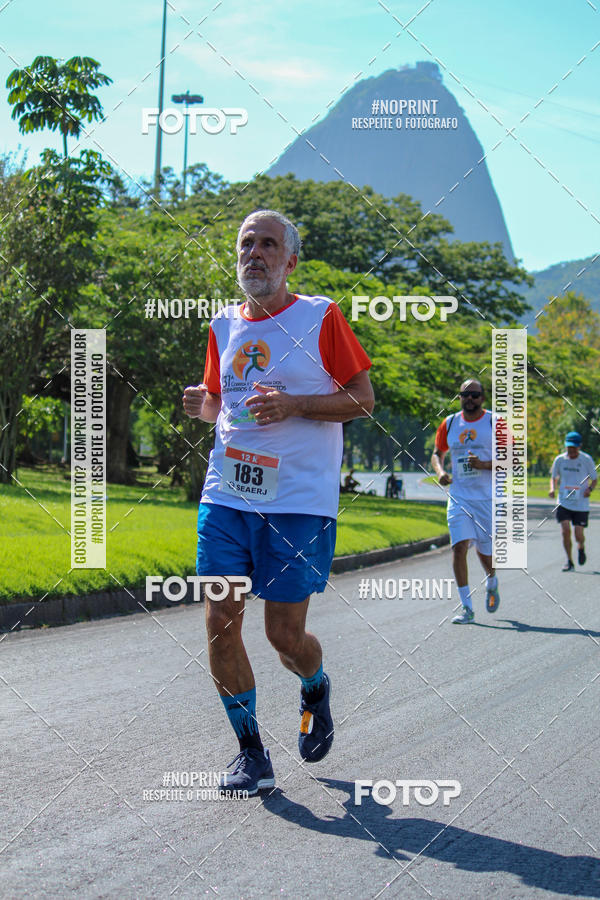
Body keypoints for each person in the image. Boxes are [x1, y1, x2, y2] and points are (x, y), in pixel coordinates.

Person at [183, 209, 374, 796]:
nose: (255, 254)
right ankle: (251, 753)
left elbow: (362, 399)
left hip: (297, 503)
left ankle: (314, 686)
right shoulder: (222, 326)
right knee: (219, 624)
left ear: (290, 261)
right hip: (227, 496)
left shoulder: (320, 317)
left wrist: (296, 405)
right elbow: (225, 404)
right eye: (246, 244)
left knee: (284, 637)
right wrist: (205, 406)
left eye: (268, 245)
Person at [430, 379, 499, 624]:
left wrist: (484, 465)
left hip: (487, 498)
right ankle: (467, 608)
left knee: (484, 551)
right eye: (465, 394)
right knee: (459, 547)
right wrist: (440, 472)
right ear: (459, 397)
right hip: (459, 497)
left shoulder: (495, 422)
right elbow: (437, 454)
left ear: (483, 397)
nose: (470, 398)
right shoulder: (449, 423)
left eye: (475, 394)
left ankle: (492, 579)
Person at [549, 431, 597, 571]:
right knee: (565, 531)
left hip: (581, 503)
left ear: (579, 446)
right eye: (569, 448)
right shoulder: (560, 460)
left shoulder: (586, 459)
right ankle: (569, 561)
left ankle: (581, 548)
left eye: (574, 448)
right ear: (566, 446)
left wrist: (590, 489)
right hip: (564, 501)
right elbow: (554, 477)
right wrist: (552, 489)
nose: (571, 451)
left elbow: (594, 479)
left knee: (578, 535)